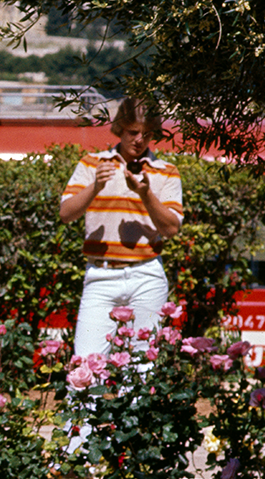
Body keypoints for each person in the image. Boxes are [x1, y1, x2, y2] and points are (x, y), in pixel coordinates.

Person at [59, 96, 184, 358]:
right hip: (101, 275)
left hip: (146, 275)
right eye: (133, 132)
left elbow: (171, 229)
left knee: (143, 368)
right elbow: (66, 214)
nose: (139, 140)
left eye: (147, 134)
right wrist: (95, 187)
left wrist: (146, 194)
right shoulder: (92, 164)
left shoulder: (166, 171)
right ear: (119, 129)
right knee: (86, 363)